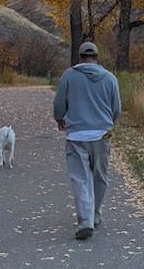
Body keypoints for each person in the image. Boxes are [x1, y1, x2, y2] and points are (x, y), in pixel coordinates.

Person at [52, 41, 121, 240]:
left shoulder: (69, 76)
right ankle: (95, 214)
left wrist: (59, 118)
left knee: (81, 178)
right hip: (102, 134)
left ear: (80, 57)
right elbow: (116, 108)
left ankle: (86, 220)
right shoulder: (110, 78)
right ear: (97, 57)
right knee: (100, 176)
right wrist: (108, 124)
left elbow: (59, 103)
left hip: (76, 135)